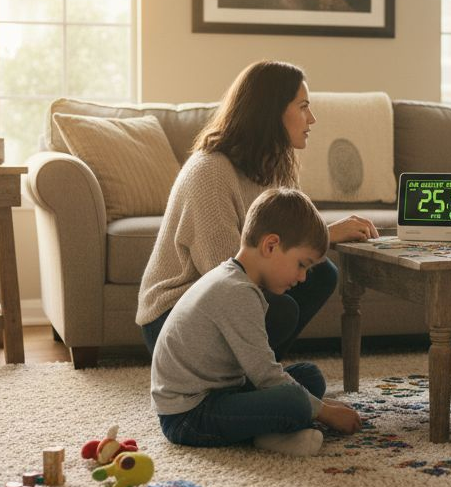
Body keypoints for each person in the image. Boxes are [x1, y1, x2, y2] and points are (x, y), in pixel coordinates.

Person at [137, 60, 378, 358]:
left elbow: (285, 243)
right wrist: (326, 236)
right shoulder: (210, 171)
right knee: (279, 310)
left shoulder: (275, 164)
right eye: (303, 107)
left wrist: (322, 239)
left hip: (224, 299)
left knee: (322, 274)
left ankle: (258, 371)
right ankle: (247, 376)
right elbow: (227, 279)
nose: (312, 118)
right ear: (271, 112)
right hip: (174, 316)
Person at [151, 188, 363, 456]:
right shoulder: (236, 292)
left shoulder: (235, 278)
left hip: (222, 391)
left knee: (309, 376)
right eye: (301, 264)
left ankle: (273, 428)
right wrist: (325, 412)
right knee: (295, 401)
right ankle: (272, 436)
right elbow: (265, 374)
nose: (302, 278)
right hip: (188, 415)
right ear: (270, 245)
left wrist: (317, 406)